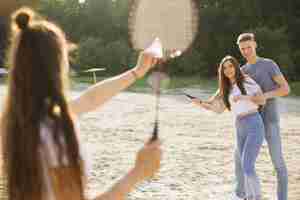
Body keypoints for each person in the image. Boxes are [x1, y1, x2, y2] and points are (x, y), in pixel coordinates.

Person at [0, 7, 161, 200]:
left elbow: (89, 99)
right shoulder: (53, 129)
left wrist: (137, 71)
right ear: (57, 62)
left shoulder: (14, 121)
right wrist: (137, 173)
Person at [192, 55, 266, 200]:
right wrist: (199, 103)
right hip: (239, 125)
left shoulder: (246, 80)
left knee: (247, 164)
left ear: (236, 67)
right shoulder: (226, 89)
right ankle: (246, 195)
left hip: (253, 122)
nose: (228, 70)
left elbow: (262, 100)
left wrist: (246, 97)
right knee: (242, 164)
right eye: (225, 68)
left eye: (230, 66)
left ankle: (256, 197)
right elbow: (217, 109)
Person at [233, 33, 290, 200]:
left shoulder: (268, 64)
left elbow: (285, 89)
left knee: (278, 163)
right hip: (250, 122)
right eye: (243, 49)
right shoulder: (241, 71)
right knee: (239, 160)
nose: (246, 51)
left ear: (255, 45)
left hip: (270, 120)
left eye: (249, 47)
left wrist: (265, 96)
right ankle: (241, 195)